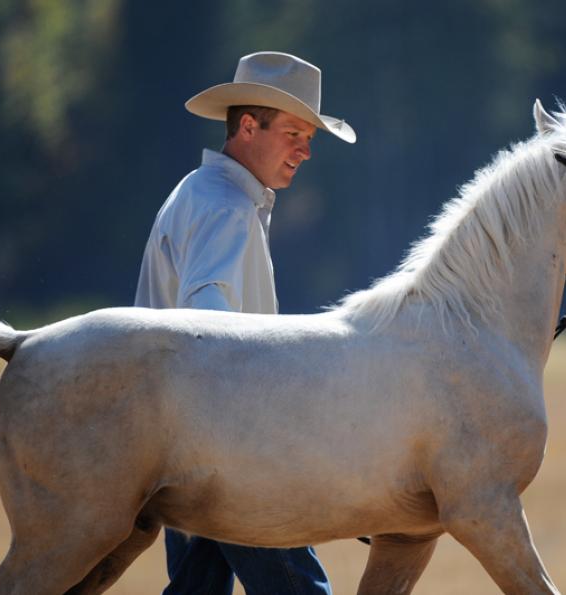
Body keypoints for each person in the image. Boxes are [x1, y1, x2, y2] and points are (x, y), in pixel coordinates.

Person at [134, 51, 356, 595]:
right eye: (294, 134)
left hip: (182, 452)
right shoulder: (227, 209)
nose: (306, 150)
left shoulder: (199, 191)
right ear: (249, 127)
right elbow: (207, 333)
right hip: (227, 456)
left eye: (310, 137)